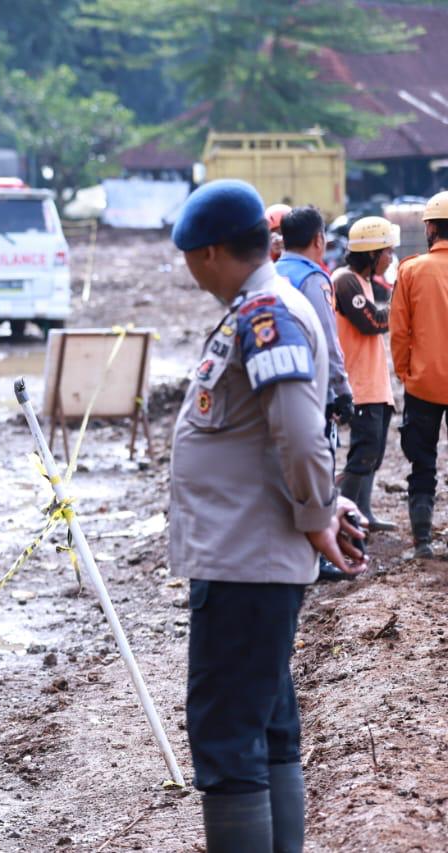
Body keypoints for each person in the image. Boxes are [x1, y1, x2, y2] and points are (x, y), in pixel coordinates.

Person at [169, 179, 366, 853]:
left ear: (213, 252)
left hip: (245, 563)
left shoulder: (267, 315)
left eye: (191, 256)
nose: (190, 269)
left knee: (228, 736)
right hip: (247, 556)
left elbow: (301, 432)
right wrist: (325, 503)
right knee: (268, 725)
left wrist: (316, 516)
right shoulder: (260, 307)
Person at [277, 206, 356, 582]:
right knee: (322, 467)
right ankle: (319, 552)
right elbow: (328, 340)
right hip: (313, 390)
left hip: (277, 391)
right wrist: (342, 391)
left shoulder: (273, 275)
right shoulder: (314, 279)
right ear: (319, 240)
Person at [391, 191, 448, 559]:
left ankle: (423, 542)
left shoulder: (410, 270)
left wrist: (405, 374)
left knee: (422, 462)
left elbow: (399, 332)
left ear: (428, 227)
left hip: (424, 385)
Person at [333, 217, 398, 533]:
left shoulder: (365, 283)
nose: (390, 258)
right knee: (363, 453)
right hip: (358, 384)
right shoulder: (345, 281)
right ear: (372, 254)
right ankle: (346, 520)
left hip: (374, 383)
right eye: (387, 252)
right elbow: (372, 322)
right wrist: (403, 295)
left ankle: (365, 512)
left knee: (374, 454)